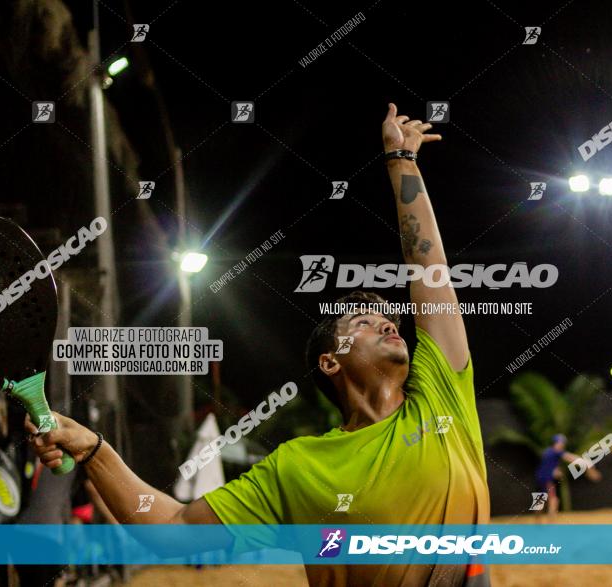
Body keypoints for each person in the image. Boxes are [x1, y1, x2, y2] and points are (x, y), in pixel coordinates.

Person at [27, 103, 491, 587]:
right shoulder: (299, 465)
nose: (389, 325)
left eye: (389, 319)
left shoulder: (442, 396)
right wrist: (95, 450)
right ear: (330, 362)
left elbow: (429, 266)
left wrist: (402, 161)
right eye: (364, 321)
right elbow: (172, 529)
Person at [534, 434, 600, 521]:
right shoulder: (556, 451)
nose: (562, 445)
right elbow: (570, 457)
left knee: (541, 500)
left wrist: (555, 471)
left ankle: (536, 524)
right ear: (556, 443)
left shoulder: (548, 451)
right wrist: (585, 462)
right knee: (554, 501)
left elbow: (548, 465)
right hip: (547, 479)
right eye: (561, 443)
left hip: (539, 478)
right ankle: (550, 526)